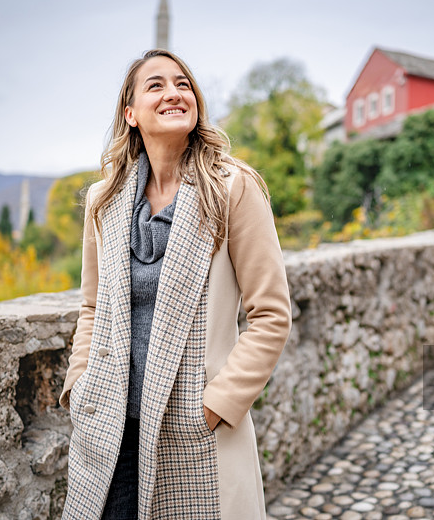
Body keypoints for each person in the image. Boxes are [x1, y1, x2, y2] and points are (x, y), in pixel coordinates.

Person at [59, 49, 292, 520]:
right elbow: (92, 307)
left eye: (183, 84)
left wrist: (215, 406)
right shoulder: (105, 199)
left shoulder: (231, 188)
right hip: (108, 427)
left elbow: (271, 314)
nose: (174, 93)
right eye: (157, 85)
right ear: (131, 113)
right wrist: (79, 384)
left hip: (190, 428)